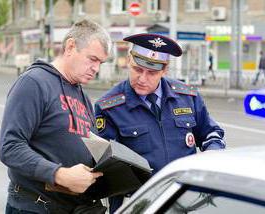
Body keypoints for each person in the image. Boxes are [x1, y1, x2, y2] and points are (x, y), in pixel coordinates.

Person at [94, 33, 226, 213]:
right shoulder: (109, 106)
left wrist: (212, 153)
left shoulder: (187, 97)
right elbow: (105, 166)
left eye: (152, 73)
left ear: (165, 70)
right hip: (137, 204)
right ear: (128, 60)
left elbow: (211, 133)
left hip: (183, 201)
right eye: (137, 69)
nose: (142, 78)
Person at [0, 19, 112, 214]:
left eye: (100, 63)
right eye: (92, 59)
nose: (96, 68)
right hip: (34, 206)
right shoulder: (34, 82)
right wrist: (59, 174)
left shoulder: (83, 96)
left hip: (74, 207)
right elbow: (10, 147)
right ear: (70, 47)